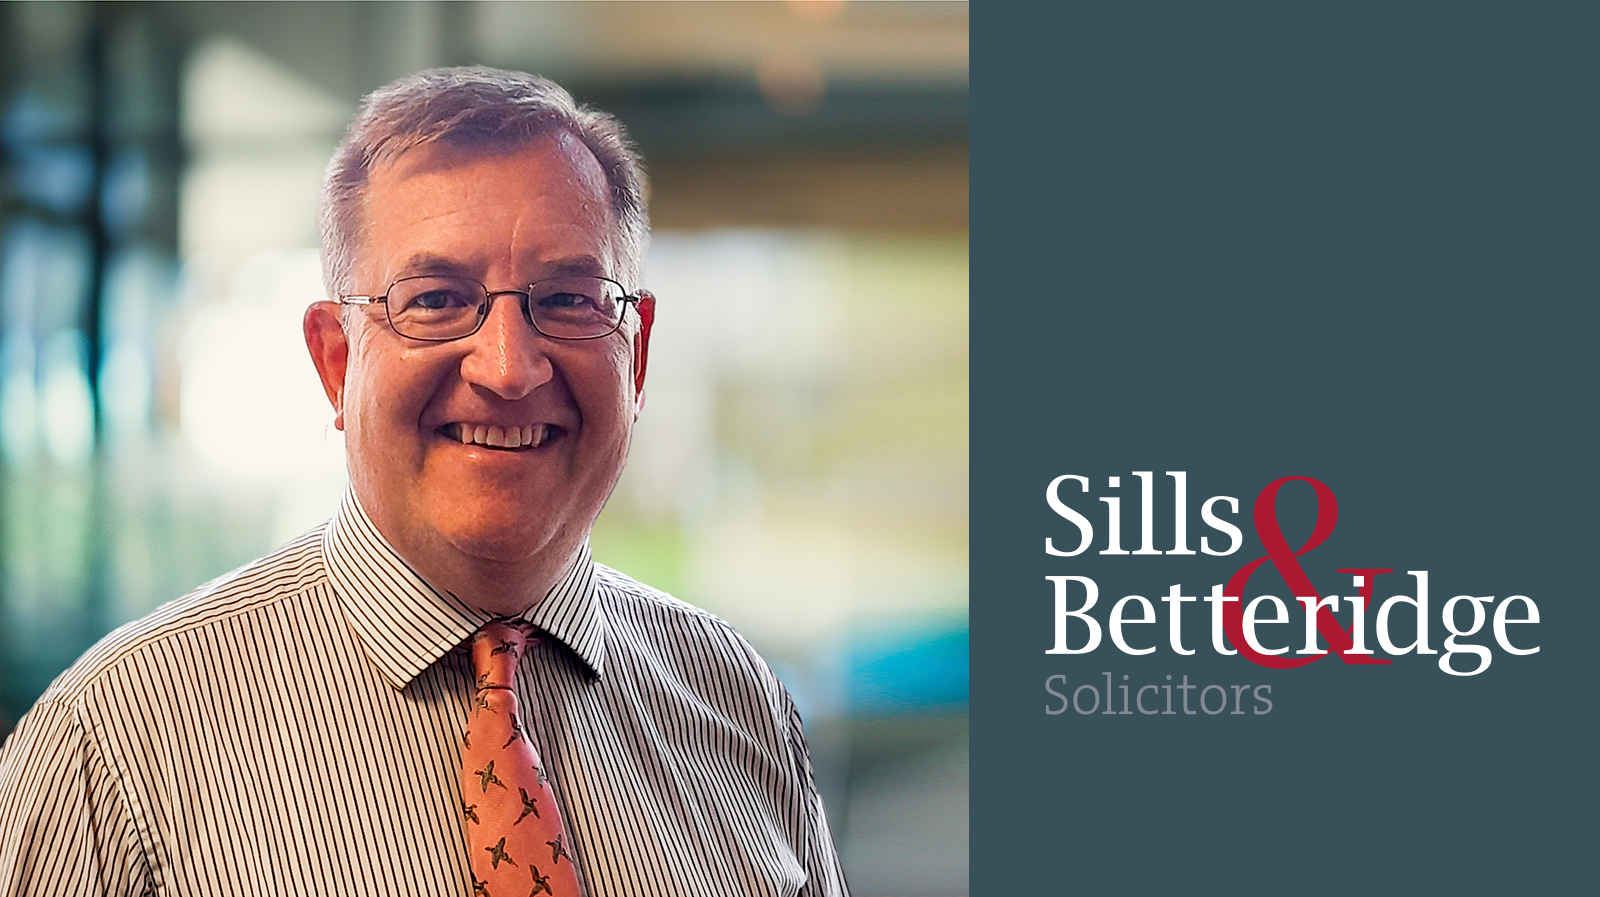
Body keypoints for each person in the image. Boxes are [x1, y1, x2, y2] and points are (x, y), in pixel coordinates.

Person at [0, 67, 849, 897]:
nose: (511, 368)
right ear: (335, 361)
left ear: (638, 350)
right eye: (438, 299)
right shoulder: (107, 752)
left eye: (567, 299)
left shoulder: (739, 707)